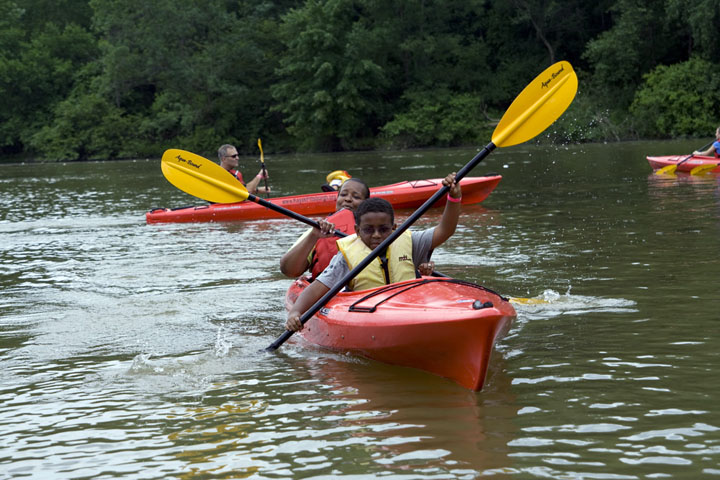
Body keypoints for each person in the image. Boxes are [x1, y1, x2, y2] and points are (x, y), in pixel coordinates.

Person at [286, 173, 461, 332]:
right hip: (369, 313)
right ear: (357, 230)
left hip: (408, 307)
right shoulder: (346, 255)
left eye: (383, 229)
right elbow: (317, 289)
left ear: (393, 228)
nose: (376, 235)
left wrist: (454, 198)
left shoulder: (411, 241)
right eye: (369, 230)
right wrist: (295, 313)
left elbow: (445, 230)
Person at [280, 177, 370, 280]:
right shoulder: (318, 229)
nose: (348, 199)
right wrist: (313, 236)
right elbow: (288, 270)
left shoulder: (377, 231)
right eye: (343, 195)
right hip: (328, 290)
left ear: (366, 203)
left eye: (356, 197)